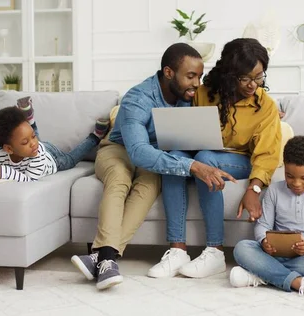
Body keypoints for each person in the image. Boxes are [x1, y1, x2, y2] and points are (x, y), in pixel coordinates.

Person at [70, 43, 237, 290]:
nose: (196, 83)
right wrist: (192, 166)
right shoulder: (137, 98)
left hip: (156, 157)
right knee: (118, 178)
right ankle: (107, 258)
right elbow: (138, 152)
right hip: (119, 151)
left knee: (149, 185)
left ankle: (102, 258)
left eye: (199, 76)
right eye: (190, 76)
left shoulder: (189, 98)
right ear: (169, 73)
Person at [148, 38, 282, 279]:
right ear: (230, 75)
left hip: (240, 159)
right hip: (202, 151)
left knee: (206, 158)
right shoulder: (205, 93)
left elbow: (267, 155)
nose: (253, 85)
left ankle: (215, 251)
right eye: (245, 78)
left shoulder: (265, 107)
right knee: (176, 157)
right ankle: (177, 250)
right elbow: (186, 128)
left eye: (259, 77)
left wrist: (254, 187)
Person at [230, 135, 304, 299]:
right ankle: (299, 283)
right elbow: (263, 225)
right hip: (273, 254)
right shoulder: (274, 190)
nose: (296, 183)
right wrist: (263, 241)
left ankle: (260, 276)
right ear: (284, 169)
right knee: (242, 248)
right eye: (289, 176)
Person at [0, 97, 109, 181]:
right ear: (8, 148)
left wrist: (4, 171)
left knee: (71, 159)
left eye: (32, 137)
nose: (33, 143)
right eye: (25, 142)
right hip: (35, 149)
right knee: (30, 136)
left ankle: (95, 137)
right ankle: (30, 120)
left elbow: (29, 180)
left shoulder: (36, 155)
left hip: (52, 158)